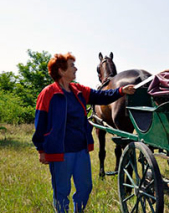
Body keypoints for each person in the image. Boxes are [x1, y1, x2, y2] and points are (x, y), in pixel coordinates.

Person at [32, 52, 135, 213]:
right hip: (60, 151)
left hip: (80, 148)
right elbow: (40, 122)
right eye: (72, 66)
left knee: (85, 187)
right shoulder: (48, 93)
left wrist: (121, 91)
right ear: (61, 70)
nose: (76, 68)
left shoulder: (78, 90)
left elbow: (102, 96)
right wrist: (41, 149)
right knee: (61, 190)